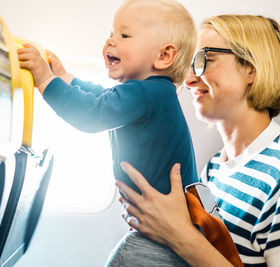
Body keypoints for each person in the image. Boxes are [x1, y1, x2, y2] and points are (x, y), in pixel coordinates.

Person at [112, 14, 280, 266]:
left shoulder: (276, 177)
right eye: (189, 64)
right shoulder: (212, 169)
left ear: (251, 69)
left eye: (203, 60)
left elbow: (189, 241)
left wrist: (176, 233)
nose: (189, 80)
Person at [17, 0, 198, 197]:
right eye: (111, 34)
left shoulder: (150, 92)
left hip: (170, 218)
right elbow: (102, 97)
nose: (110, 41)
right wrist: (64, 78)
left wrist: (46, 80)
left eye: (124, 35)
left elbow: (92, 113)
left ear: (163, 56)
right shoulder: (151, 91)